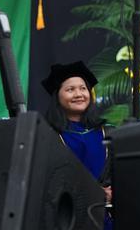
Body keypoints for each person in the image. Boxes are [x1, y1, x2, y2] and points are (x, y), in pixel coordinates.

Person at [42, 60, 112, 229]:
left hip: (106, 217)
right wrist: (94, 193)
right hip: (69, 218)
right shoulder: (49, 136)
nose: (79, 94)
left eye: (83, 88)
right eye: (70, 89)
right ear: (57, 96)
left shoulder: (107, 132)